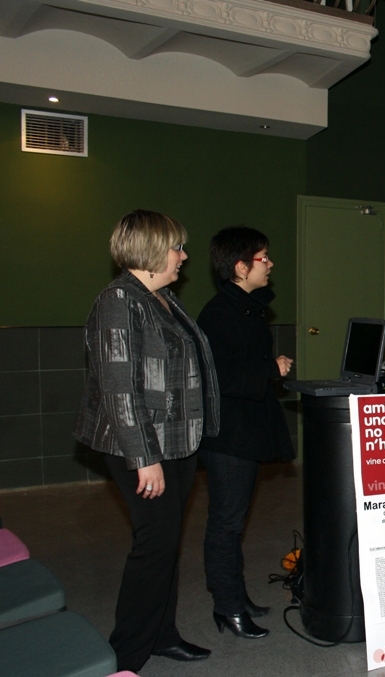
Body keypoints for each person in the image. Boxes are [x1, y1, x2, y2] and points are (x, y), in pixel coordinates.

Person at [74, 209, 220, 672]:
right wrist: (145, 459)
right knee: (153, 545)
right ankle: (126, 656)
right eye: (177, 247)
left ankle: (162, 634)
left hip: (176, 440)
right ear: (152, 251)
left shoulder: (161, 297)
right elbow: (119, 389)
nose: (184, 256)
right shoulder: (119, 300)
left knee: (165, 540)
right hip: (141, 446)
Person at [197, 226, 295, 639]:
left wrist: (265, 367)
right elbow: (221, 377)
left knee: (234, 521)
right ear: (240, 266)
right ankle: (229, 607)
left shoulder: (245, 308)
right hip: (229, 437)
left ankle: (235, 596)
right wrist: (270, 369)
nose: (270, 264)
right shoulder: (220, 313)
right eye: (263, 258)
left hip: (244, 432)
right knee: (227, 523)